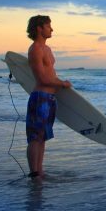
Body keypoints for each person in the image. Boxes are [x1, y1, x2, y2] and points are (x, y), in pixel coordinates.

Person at [25, 15, 71, 178]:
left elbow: (49, 74)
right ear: (39, 28)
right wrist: (62, 83)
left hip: (50, 98)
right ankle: (34, 173)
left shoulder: (47, 49)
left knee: (42, 137)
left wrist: (58, 84)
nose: (52, 29)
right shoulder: (35, 49)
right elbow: (42, 79)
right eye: (48, 26)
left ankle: (40, 171)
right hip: (40, 97)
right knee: (35, 137)